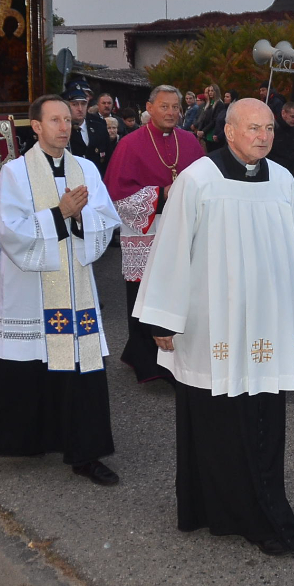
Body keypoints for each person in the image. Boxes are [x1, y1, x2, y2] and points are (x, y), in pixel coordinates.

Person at [135, 98, 294, 556]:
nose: (263, 136)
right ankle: (208, 506)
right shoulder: (199, 179)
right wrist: (163, 316)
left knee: (261, 416)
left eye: (270, 129)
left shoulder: (281, 180)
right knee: (214, 416)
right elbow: (173, 246)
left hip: (266, 322)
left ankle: (260, 509)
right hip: (211, 322)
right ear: (229, 131)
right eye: (254, 128)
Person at [0, 95, 121, 485]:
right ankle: (31, 440)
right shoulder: (14, 172)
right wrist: (59, 215)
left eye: (67, 120)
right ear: (36, 127)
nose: (64, 126)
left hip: (76, 287)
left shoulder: (87, 168)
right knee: (34, 364)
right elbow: (9, 229)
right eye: (54, 120)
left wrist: (79, 219)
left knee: (81, 368)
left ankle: (85, 453)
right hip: (32, 288)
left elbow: (107, 219)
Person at [103, 85, 205, 384]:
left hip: (183, 230)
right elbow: (118, 194)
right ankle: (145, 358)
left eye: (175, 107)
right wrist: (161, 194)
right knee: (144, 296)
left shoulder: (189, 142)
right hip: (146, 231)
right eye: (164, 106)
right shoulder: (130, 144)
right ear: (150, 107)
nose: (172, 112)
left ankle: (178, 357)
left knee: (178, 290)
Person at [64, 81, 113, 174]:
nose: (80, 108)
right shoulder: (62, 129)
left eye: (83, 104)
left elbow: (108, 159)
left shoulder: (99, 125)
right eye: (74, 104)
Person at [270, 101, 294, 172]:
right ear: (283, 113)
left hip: (289, 171)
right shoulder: (272, 129)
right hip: (273, 171)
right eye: (292, 116)